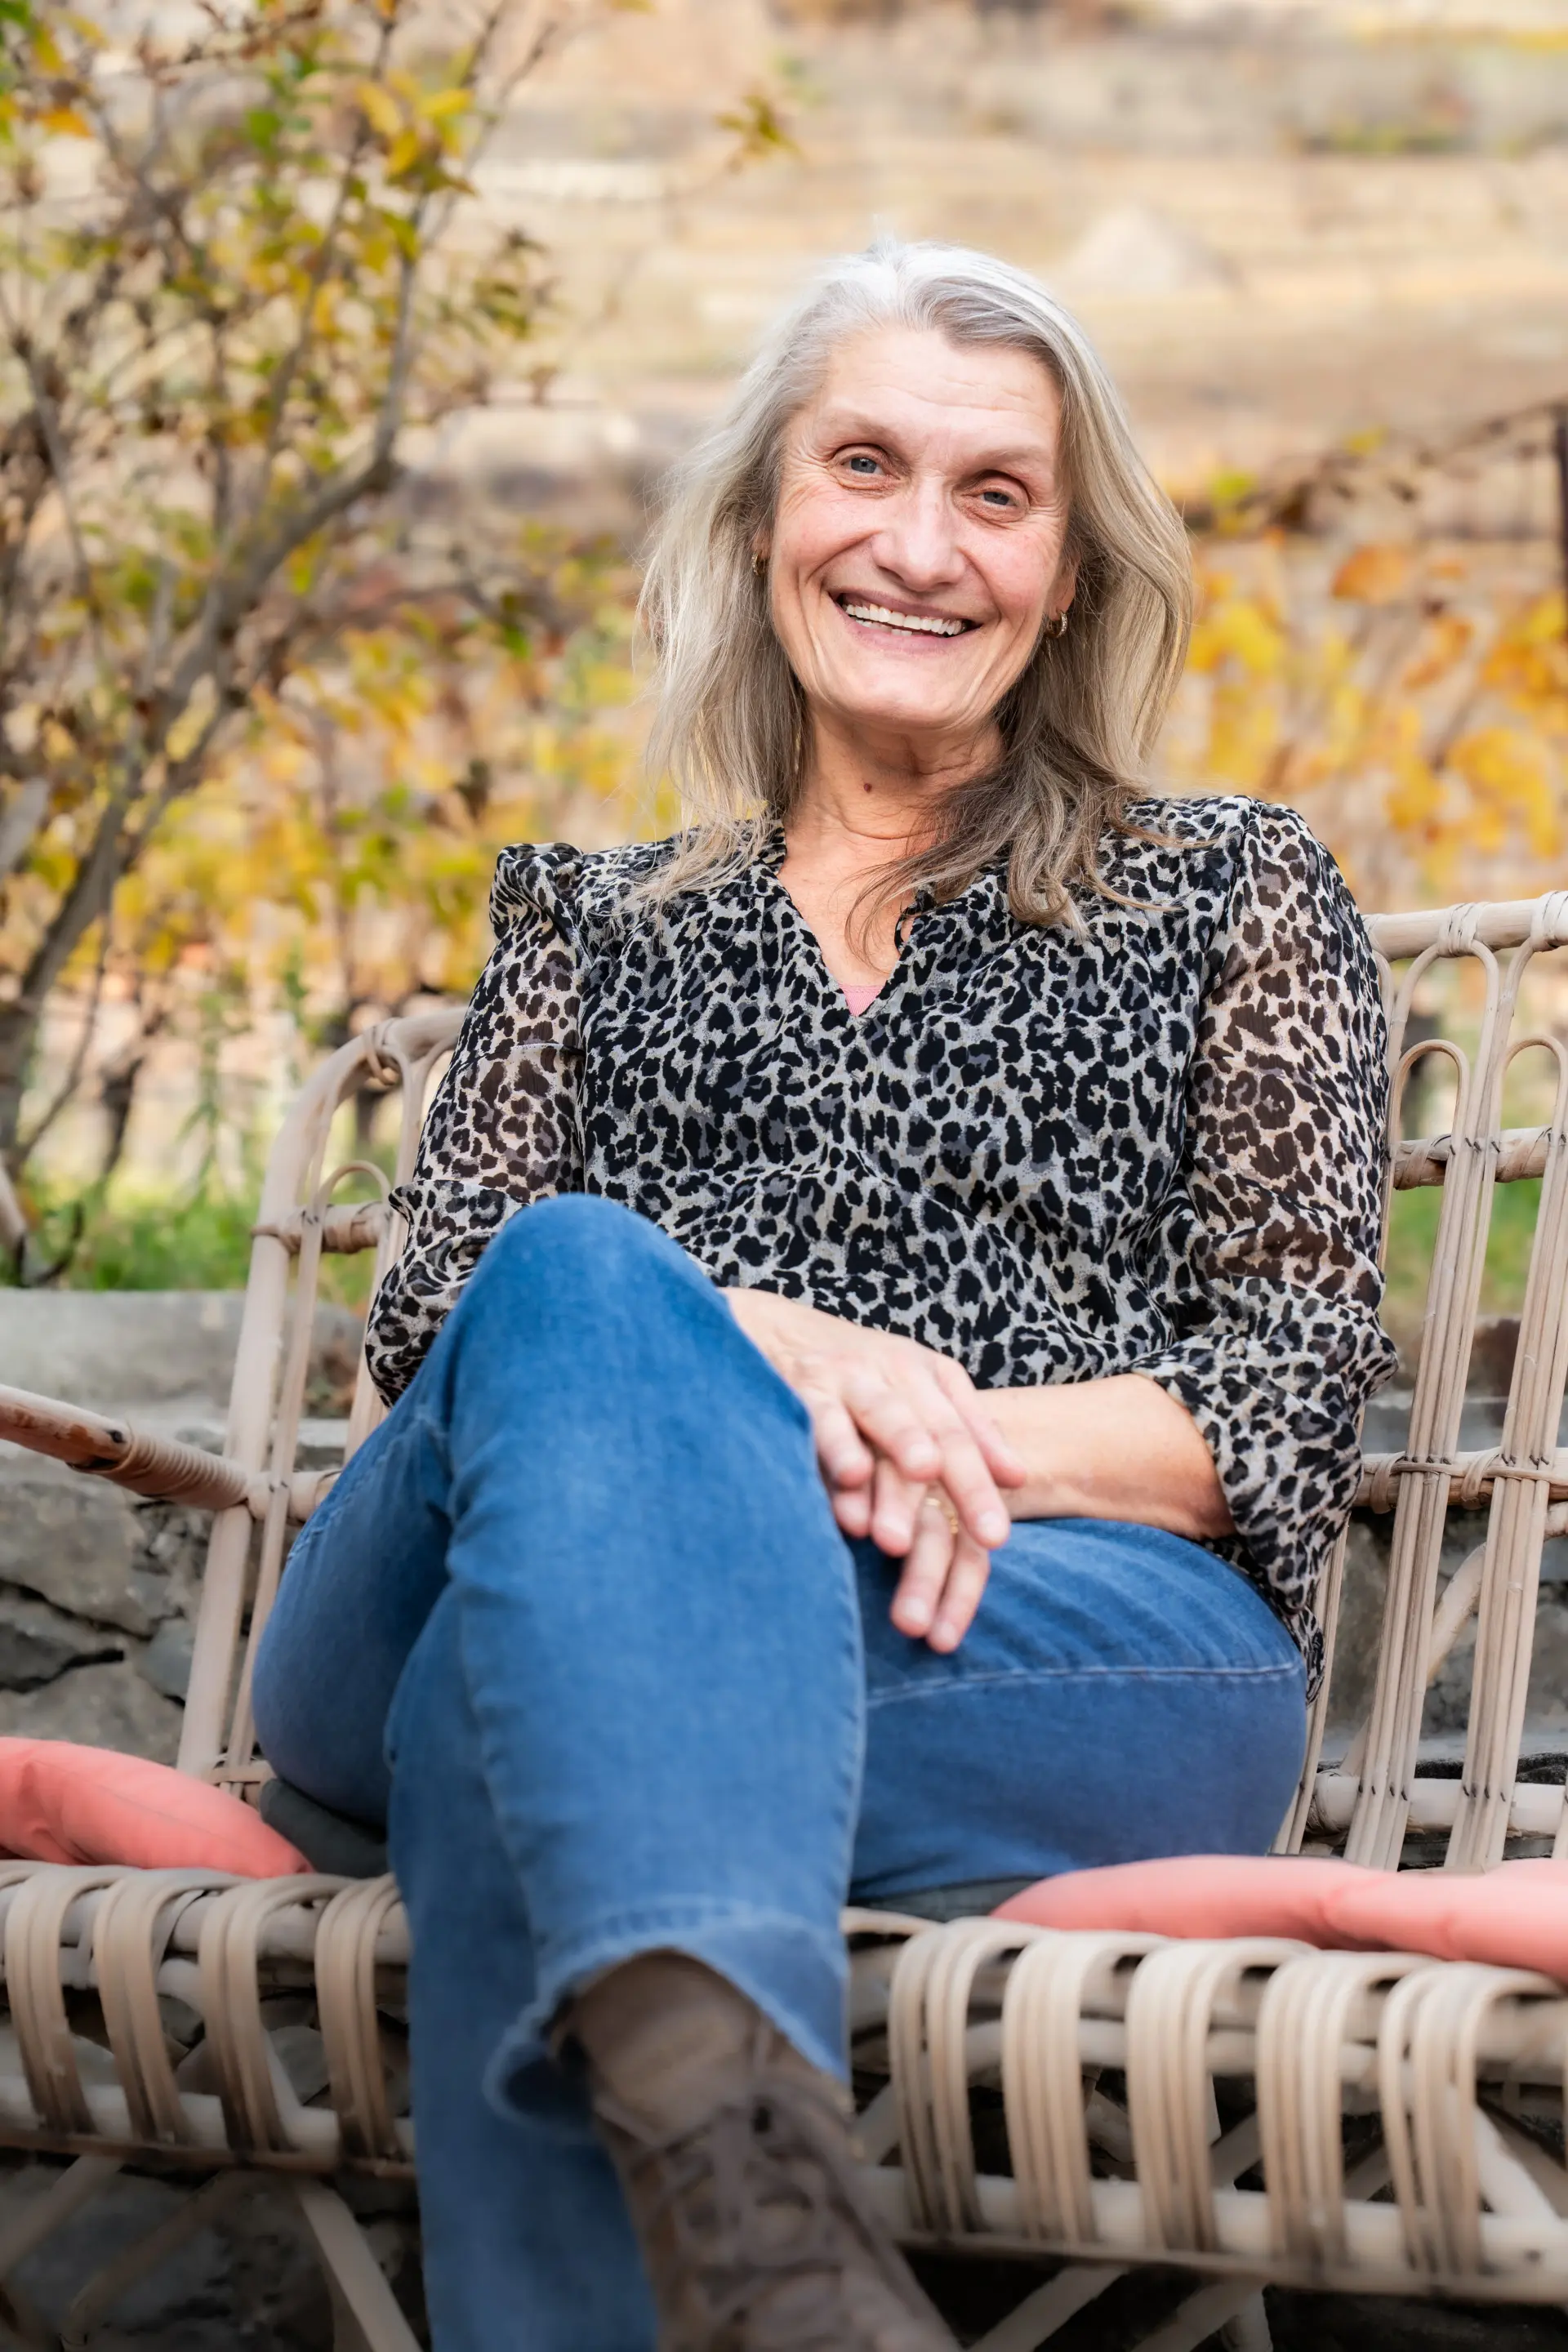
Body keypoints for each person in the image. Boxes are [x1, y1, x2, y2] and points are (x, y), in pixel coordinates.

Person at [253, 238, 1397, 2352]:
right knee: (575, 1276)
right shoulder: (591, 928)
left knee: (550, 1698)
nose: (921, 543)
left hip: (1049, 1640)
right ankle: (761, 2216)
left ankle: (735, 2181)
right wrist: (776, 1363)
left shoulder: (1231, 892)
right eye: (864, 464)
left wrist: (874, 1453)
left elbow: (1287, 1403)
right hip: (453, 1597)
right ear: (767, 518)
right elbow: (437, 1369)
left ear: (1071, 571)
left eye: (997, 493)